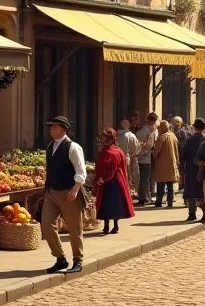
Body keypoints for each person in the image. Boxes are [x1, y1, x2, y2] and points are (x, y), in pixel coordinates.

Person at [40, 116, 87, 275]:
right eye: (51, 127)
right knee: (46, 224)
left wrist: (75, 189)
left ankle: (77, 260)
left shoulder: (73, 147)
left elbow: (81, 171)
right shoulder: (50, 146)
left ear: (62, 129)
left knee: (74, 228)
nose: (51, 130)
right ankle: (60, 258)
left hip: (68, 192)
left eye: (53, 127)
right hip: (52, 192)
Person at [94, 128, 135, 234]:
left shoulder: (111, 152)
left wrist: (102, 178)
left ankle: (114, 226)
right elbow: (99, 166)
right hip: (114, 182)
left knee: (113, 204)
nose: (102, 139)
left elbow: (112, 167)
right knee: (108, 205)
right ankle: (107, 226)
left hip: (113, 182)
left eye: (105, 137)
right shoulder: (116, 151)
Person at [183, 118, 205, 222]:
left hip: (190, 168)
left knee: (190, 192)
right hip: (204, 169)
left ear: (194, 127)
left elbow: (184, 154)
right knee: (203, 192)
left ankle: (191, 213)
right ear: (204, 128)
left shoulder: (189, 140)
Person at [152, 119, 180, 207]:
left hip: (162, 164)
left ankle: (159, 201)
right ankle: (170, 202)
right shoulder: (173, 136)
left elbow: (157, 151)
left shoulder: (161, 137)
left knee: (161, 184)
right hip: (172, 164)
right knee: (170, 184)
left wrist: (153, 153)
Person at [136, 112, 158, 205]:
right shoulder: (150, 132)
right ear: (152, 122)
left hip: (139, 156)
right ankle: (143, 197)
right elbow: (150, 145)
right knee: (145, 178)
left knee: (142, 178)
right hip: (146, 157)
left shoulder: (140, 131)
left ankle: (144, 195)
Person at [115, 118, 140, 193]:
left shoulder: (115, 135)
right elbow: (136, 149)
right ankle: (127, 191)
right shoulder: (131, 136)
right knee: (127, 176)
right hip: (127, 158)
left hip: (116, 158)